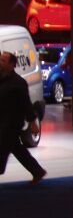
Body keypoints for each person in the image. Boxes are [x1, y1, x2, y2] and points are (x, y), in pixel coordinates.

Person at [0, 52, 46, 184]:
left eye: (3, 61)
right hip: (2, 121)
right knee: (16, 148)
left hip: (11, 123)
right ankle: (38, 171)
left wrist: (33, 123)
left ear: (12, 64)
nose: (0, 63)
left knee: (3, 146)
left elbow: (26, 104)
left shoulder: (19, 83)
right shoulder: (1, 79)